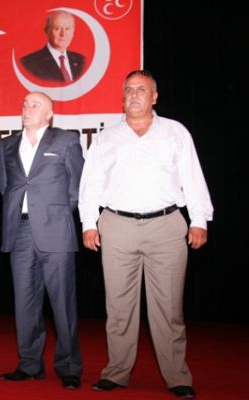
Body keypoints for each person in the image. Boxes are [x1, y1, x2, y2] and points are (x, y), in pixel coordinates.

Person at [78, 70, 213, 399]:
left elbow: (191, 175)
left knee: (169, 308)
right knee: (118, 307)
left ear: (154, 97)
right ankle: (116, 372)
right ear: (122, 97)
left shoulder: (175, 132)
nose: (134, 95)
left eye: (141, 89)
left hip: (166, 226)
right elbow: (90, 182)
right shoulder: (107, 137)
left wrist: (199, 219)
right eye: (128, 90)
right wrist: (88, 223)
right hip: (117, 225)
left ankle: (177, 376)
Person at [0, 92, 84, 389]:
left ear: (49, 114)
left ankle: (69, 367)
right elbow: (5, 185)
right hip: (19, 231)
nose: (27, 108)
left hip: (56, 231)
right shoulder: (7, 144)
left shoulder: (66, 140)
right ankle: (29, 364)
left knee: (62, 302)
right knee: (25, 302)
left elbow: (77, 186)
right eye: (24, 103)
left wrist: (56, 215)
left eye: (35, 105)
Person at [21, 11, 85, 83]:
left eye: (68, 29)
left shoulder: (81, 61)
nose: (63, 34)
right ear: (47, 31)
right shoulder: (29, 63)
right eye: (57, 28)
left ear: (73, 32)